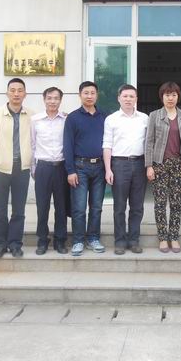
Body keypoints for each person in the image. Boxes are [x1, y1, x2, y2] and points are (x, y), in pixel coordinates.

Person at [0, 78, 34, 258]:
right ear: (7, 93)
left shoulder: (32, 116)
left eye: (20, 90)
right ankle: (0, 245)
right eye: (13, 90)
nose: (16, 93)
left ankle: (15, 244)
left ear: (25, 94)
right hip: (0, 169)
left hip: (22, 169)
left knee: (19, 211)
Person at [144, 82, 181, 253]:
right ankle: (162, 237)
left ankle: (173, 237)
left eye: (174, 95)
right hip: (159, 164)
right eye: (167, 95)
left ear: (178, 96)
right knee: (160, 203)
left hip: (178, 164)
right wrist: (149, 165)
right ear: (162, 97)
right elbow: (149, 142)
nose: (170, 98)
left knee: (176, 203)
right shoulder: (154, 115)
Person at [102, 84, 149, 255]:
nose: (128, 99)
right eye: (125, 96)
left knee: (137, 206)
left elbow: (149, 143)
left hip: (140, 163)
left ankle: (134, 240)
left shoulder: (144, 118)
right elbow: (107, 145)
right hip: (119, 164)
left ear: (136, 99)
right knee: (119, 206)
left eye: (131, 96)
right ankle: (120, 241)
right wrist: (108, 169)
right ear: (119, 98)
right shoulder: (111, 119)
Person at [63, 81, 107, 257]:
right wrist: (70, 170)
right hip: (79, 167)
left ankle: (93, 238)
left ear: (97, 95)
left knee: (96, 207)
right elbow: (67, 145)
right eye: (86, 93)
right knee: (79, 208)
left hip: (100, 167)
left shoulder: (104, 116)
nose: (89, 96)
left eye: (92, 93)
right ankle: (78, 240)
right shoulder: (73, 118)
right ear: (80, 95)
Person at [31, 86, 69, 255]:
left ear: (60, 100)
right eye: (49, 98)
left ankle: (60, 241)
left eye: (56, 98)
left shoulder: (66, 119)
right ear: (44, 99)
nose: (52, 101)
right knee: (42, 206)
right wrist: (34, 168)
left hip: (61, 167)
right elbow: (32, 145)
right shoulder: (35, 120)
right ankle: (42, 240)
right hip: (43, 168)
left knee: (61, 207)